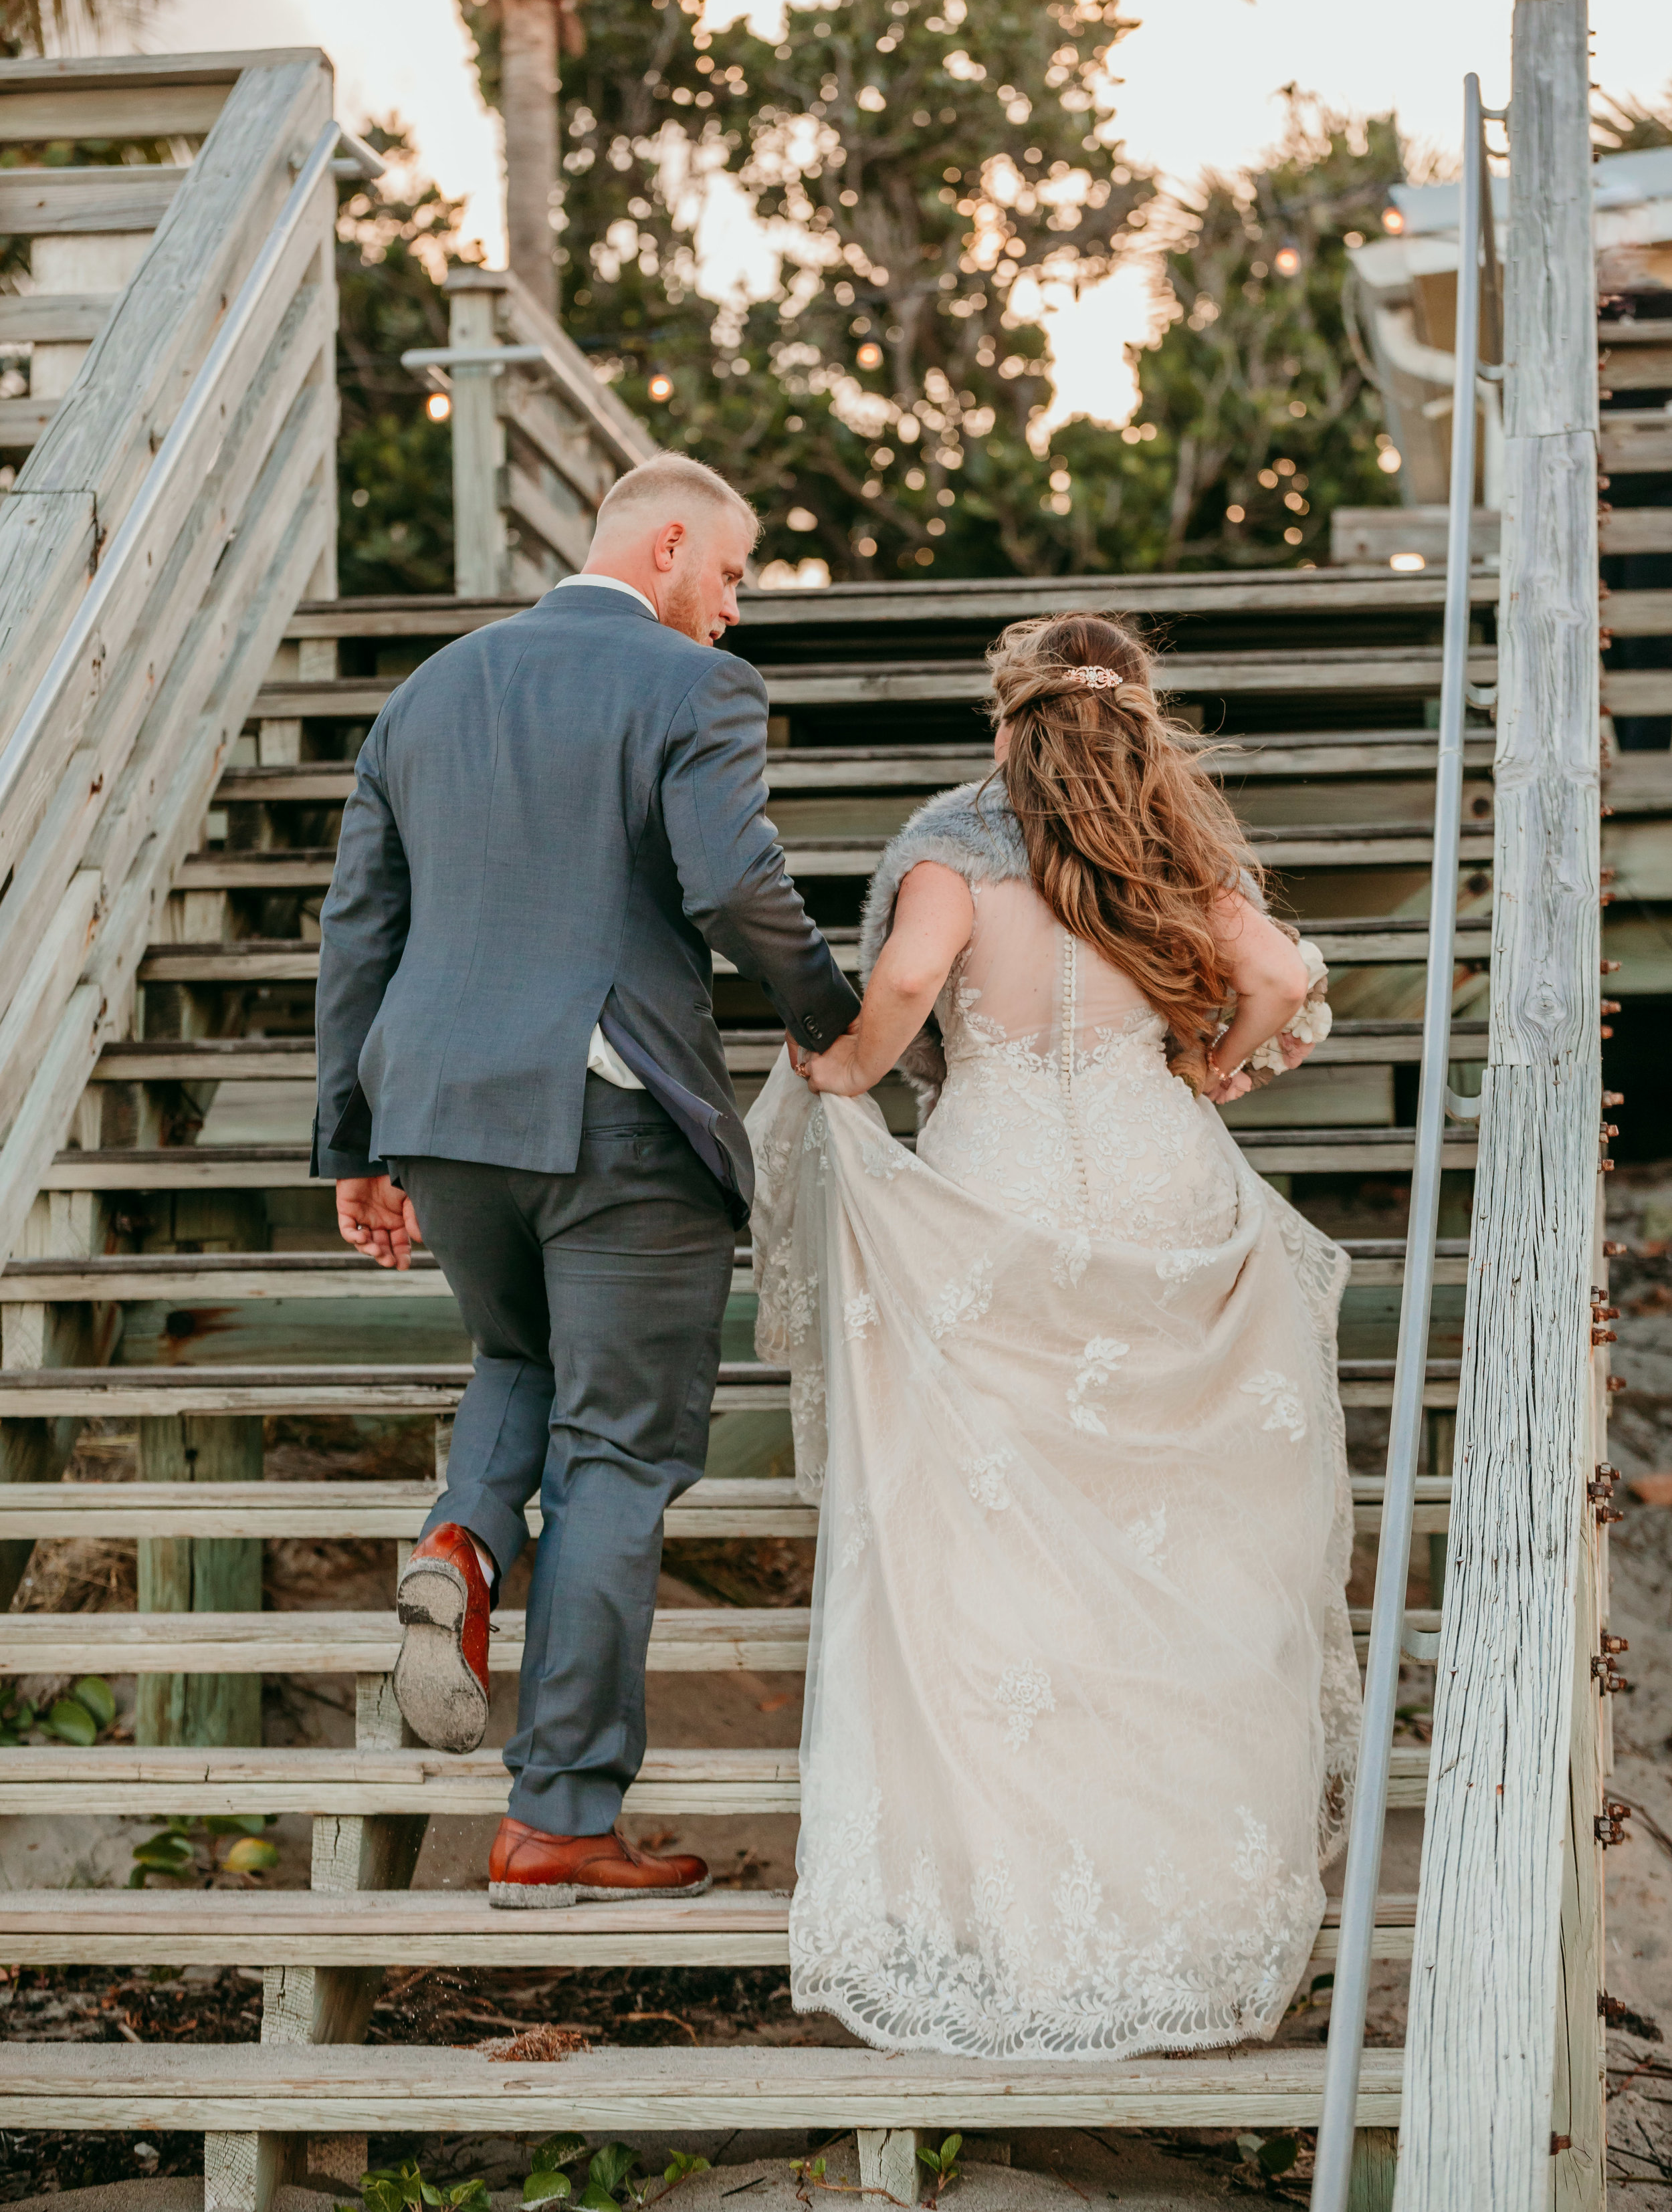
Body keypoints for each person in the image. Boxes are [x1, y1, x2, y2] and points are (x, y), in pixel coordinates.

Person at [748, 609, 1356, 2058]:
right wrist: (1204, 1068)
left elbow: (903, 988)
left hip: (996, 1184)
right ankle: (1189, 1883)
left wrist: (841, 1064)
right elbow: (1280, 979)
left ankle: (998, 1884)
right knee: (1185, 1530)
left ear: (1001, 718)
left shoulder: (954, 842)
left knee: (998, 1532)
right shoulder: (1169, 847)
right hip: (1159, 1178)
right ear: (1139, 717)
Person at [312, 453, 859, 1909]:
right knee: (616, 1454)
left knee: (514, 1355)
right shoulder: (692, 689)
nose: (732, 612)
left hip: (439, 1111)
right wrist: (833, 1020)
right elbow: (734, 885)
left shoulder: (426, 691)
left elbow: (360, 929)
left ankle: (460, 1536)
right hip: (617, 1119)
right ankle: (555, 1814)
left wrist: (356, 1146)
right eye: (732, 575)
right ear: (668, 542)